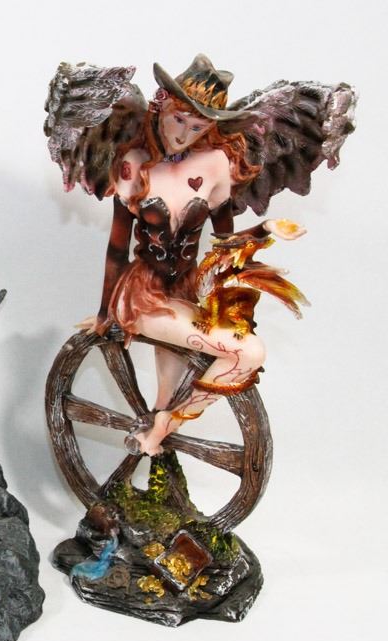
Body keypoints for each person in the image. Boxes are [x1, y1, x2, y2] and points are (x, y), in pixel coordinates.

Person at [73, 56, 307, 455]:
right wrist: (103, 313)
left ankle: (164, 421)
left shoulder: (215, 165)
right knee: (248, 352)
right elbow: (116, 248)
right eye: (178, 120)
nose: (183, 134)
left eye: (197, 127)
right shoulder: (133, 164)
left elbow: (224, 243)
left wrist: (265, 230)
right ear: (161, 104)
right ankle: (162, 426)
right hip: (142, 296)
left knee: (236, 357)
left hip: (185, 292)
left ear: (211, 127)